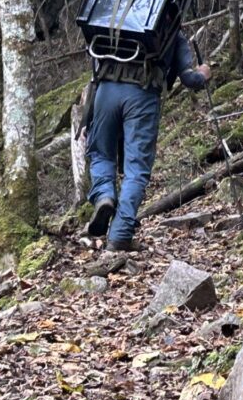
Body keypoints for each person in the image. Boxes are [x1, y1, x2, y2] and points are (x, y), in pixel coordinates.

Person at [85, 30, 211, 251]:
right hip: (141, 94)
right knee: (136, 169)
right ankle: (120, 235)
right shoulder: (171, 30)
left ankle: (104, 196)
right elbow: (189, 79)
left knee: (101, 154)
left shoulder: (113, 23)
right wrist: (203, 74)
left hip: (105, 91)